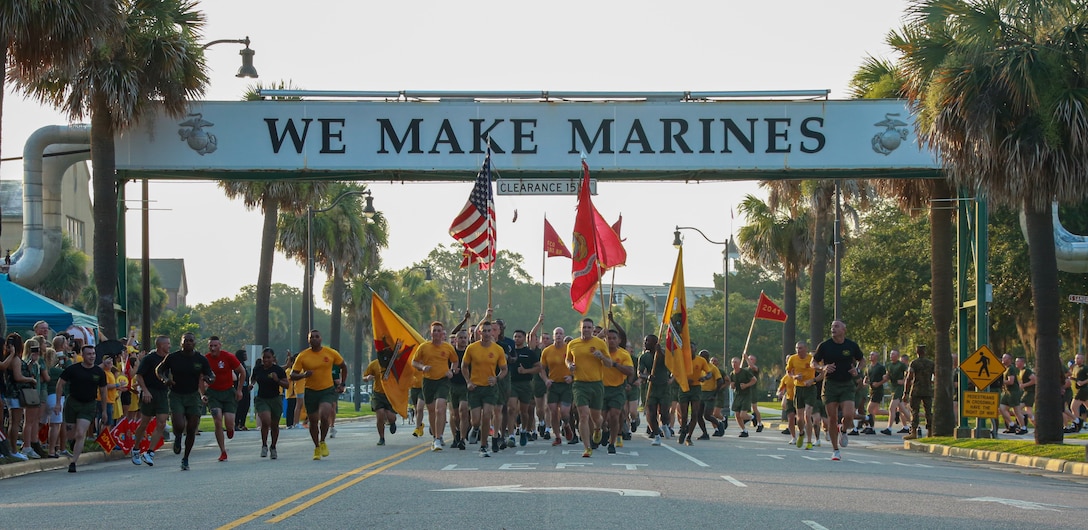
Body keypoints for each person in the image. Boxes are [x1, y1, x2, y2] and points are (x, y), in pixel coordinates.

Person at [159, 332, 215, 470]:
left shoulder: (200, 359)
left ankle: (185, 459)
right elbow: (159, 370)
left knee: (191, 428)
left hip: (193, 395)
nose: (188, 342)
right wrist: (165, 379)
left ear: (194, 343)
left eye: (191, 340)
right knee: (178, 424)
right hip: (176, 394)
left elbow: (210, 373)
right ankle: (178, 437)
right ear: (181, 343)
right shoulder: (173, 357)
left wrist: (210, 379)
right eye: (186, 340)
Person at [290, 329, 348, 461]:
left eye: (317, 336)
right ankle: (316, 446)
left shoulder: (330, 353)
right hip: (310, 392)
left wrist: (342, 383)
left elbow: (343, 366)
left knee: (325, 414)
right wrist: (304, 375)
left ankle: (323, 441)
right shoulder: (303, 356)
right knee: (313, 421)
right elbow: (293, 375)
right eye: (312, 337)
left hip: (327, 391)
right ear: (308, 340)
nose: (314, 339)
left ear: (321, 339)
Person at [812, 320, 864, 461]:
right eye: (832, 327)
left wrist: (857, 369)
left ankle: (844, 430)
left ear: (843, 330)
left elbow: (862, 359)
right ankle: (835, 450)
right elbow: (813, 362)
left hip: (847, 384)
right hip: (830, 385)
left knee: (849, 414)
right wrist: (822, 368)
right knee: (832, 418)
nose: (833, 329)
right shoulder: (824, 346)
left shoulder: (851, 345)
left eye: (836, 326)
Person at [54, 344, 109, 472]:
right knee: (71, 434)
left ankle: (73, 462)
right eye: (89, 354)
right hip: (72, 403)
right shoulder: (73, 369)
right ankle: (73, 443)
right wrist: (58, 403)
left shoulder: (99, 372)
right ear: (83, 356)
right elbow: (60, 384)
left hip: (89, 405)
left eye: (93, 354)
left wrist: (104, 411)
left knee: (80, 433)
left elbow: (104, 392)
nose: (92, 356)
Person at [461, 320, 508, 457]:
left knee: (487, 415)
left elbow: (504, 369)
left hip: (490, 388)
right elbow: (464, 366)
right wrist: (468, 381)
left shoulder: (497, 349)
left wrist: (497, 378)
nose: (487, 334)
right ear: (479, 332)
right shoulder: (472, 348)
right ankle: (475, 428)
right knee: (476, 420)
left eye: (490, 331)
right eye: (485, 331)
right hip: (475, 387)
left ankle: (483, 446)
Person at [411, 321, 460, 451]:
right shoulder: (423, 347)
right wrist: (422, 367)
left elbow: (455, 361)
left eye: (439, 330)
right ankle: (435, 436)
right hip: (428, 381)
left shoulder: (448, 347)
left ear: (443, 333)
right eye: (435, 330)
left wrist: (452, 371)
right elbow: (414, 362)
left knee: (440, 409)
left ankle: (438, 438)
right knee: (432, 411)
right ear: (430, 332)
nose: (437, 333)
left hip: (443, 380)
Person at [565, 318, 610, 457]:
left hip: (596, 384)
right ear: (580, 328)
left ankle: (597, 429)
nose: (586, 330)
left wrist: (601, 356)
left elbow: (609, 363)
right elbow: (567, 359)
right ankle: (587, 447)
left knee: (597, 417)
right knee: (583, 415)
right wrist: (569, 366)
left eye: (589, 327)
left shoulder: (600, 343)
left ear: (593, 329)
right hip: (579, 384)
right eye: (584, 327)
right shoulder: (573, 344)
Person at [132, 336, 172, 467]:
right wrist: (145, 391)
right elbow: (139, 375)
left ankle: (150, 452)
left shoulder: (169, 359)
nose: (169, 346)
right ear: (160, 345)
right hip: (149, 392)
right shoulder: (149, 359)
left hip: (162, 393)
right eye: (167, 344)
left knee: (161, 423)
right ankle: (136, 449)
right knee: (144, 422)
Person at [204, 337, 245, 461]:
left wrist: (239, 390)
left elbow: (242, 372)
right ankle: (222, 451)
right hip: (213, 393)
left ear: (220, 346)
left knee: (229, 422)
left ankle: (230, 429)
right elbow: (200, 377)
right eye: (211, 346)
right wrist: (203, 393)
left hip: (228, 392)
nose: (213, 348)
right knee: (217, 420)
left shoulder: (228, 357)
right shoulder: (206, 359)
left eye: (215, 345)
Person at [510, 317, 544, 447]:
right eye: (515, 337)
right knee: (511, 408)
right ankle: (512, 435)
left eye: (519, 337)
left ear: (524, 339)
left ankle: (524, 430)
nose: (516, 339)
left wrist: (526, 371)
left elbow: (538, 367)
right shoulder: (509, 351)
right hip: (512, 383)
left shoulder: (529, 352)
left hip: (525, 384)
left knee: (525, 411)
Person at [252, 348, 289, 459]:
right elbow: (253, 378)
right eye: (264, 357)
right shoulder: (258, 369)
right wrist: (251, 384)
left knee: (274, 425)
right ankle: (264, 445)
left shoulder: (278, 370)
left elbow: (286, 385)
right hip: (262, 399)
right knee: (265, 421)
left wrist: (277, 380)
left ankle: (273, 446)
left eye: (268, 357)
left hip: (275, 399)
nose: (266, 360)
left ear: (273, 358)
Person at [540, 326, 574, 446]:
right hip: (553, 385)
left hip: (565, 384)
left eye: (561, 333)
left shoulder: (569, 349)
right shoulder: (547, 351)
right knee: (553, 411)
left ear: (564, 336)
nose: (558, 336)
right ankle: (557, 437)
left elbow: (576, 366)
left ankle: (566, 424)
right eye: (556, 334)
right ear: (553, 336)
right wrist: (546, 380)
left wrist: (572, 377)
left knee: (564, 412)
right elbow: (541, 369)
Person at [602, 329, 634, 453]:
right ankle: (604, 431)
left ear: (619, 340)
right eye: (608, 338)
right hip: (602, 388)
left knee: (615, 415)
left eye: (614, 338)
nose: (611, 341)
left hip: (617, 388)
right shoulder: (602, 353)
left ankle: (612, 442)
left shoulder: (624, 354)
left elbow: (630, 371)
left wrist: (615, 365)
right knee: (601, 419)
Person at [637, 334, 671, 446]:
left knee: (664, 412)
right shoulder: (643, 357)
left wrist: (659, 352)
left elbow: (669, 365)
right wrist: (647, 377)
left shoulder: (663, 354)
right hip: (651, 387)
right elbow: (639, 372)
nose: (645, 343)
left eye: (648, 341)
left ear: (655, 343)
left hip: (663, 387)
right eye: (645, 341)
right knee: (651, 413)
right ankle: (656, 435)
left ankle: (665, 424)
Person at [787, 341, 818, 449]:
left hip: (810, 388)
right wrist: (795, 376)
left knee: (807, 415)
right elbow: (788, 372)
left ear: (805, 348)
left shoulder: (811, 359)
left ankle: (809, 442)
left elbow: (822, 371)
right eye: (797, 348)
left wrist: (812, 380)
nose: (798, 350)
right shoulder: (792, 359)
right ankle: (801, 433)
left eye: (800, 348)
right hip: (798, 388)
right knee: (799, 418)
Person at [363, 356, 397, 446]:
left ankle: (392, 422)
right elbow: (364, 377)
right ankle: (381, 438)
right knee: (380, 414)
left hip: (390, 394)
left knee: (391, 416)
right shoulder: (374, 364)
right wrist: (367, 378)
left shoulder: (394, 363)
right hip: (378, 394)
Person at [903, 345, 935, 440]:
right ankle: (930, 432)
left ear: (917, 352)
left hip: (916, 390)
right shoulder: (930, 363)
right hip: (928, 390)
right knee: (928, 411)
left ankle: (913, 432)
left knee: (915, 411)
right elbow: (936, 376)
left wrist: (905, 392)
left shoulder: (914, 363)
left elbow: (909, 378)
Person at [884, 350, 912, 434]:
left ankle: (889, 428)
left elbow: (909, 373)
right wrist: (886, 376)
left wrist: (904, 380)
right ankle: (915, 425)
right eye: (891, 354)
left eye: (893, 354)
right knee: (902, 409)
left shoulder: (901, 365)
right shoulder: (889, 365)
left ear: (897, 356)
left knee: (891, 408)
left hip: (899, 389)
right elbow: (888, 374)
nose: (891, 356)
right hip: (893, 387)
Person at [729, 356, 757, 438]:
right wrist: (732, 386)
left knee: (742, 415)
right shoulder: (732, 374)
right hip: (738, 394)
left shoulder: (745, 372)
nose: (734, 364)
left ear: (739, 363)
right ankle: (744, 430)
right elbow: (733, 386)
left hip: (746, 394)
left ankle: (752, 417)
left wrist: (746, 385)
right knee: (737, 415)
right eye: (733, 362)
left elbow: (754, 380)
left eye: (736, 362)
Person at [863, 352, 889, 435]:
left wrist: (879, 383)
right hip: (871, 390)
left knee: (869, 408)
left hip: (878, 391)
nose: (870, 356)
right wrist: (865, 382)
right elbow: (866, 377)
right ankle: (894, 414)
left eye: (872, 355)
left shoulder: (880, 367)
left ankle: (871, 427)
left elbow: (886, 378)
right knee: (876, 411)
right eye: (870, 355)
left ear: (877, 357)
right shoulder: (868, 367)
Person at [1015, 357, 1036, 431]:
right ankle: (1038, 428)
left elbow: (1034, 380)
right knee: (1029, 412)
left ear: (1022, 362)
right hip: (1025, 392)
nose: (1016, 363)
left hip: (1030, 393)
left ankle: (1025, 417)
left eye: (1018, 361)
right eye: (1016, 361)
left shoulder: (1027, 371)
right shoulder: (1020, 371)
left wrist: (1024, 385)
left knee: (1017, 408)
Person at [235, 349, 252, 432]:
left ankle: (242, 424)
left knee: (245, 406)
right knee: (239, 407)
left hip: (245, 389)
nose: (246, 356)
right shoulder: (237, 365)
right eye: (244, 355)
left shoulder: (244, 365)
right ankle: (236, 423)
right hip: (239, 389)